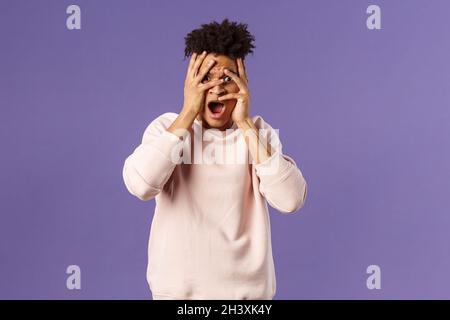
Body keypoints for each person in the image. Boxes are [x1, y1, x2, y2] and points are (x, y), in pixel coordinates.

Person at [122, 19, 308, 300]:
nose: (218, 89)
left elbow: (290, 199)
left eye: (228, 78)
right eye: (206, 77)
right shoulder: (168, 129)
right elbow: (141, 185)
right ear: (189, 81)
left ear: (243, 83)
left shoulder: (258, 133)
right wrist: (187, 113)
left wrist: (244, 124)